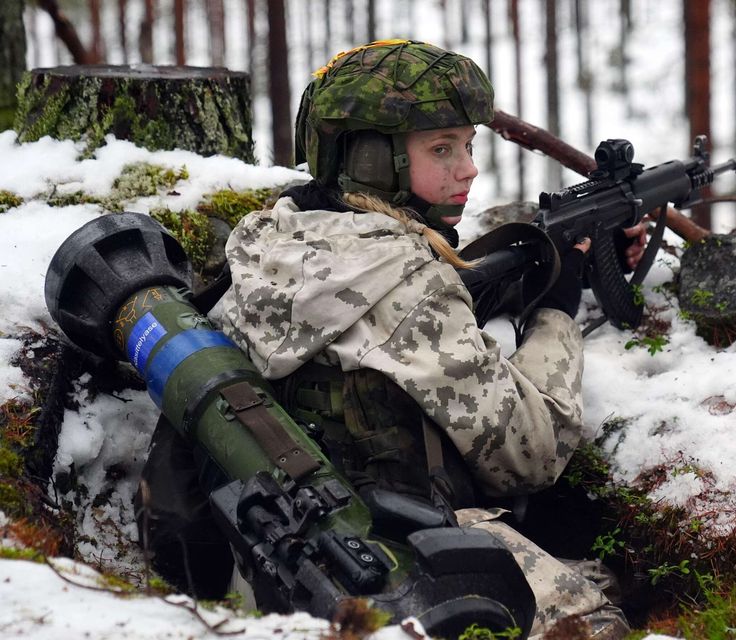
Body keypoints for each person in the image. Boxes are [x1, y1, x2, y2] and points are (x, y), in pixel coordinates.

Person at [143, 39, 637, 639]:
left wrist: (532, 261)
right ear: (374, 160)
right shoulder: (413, 290)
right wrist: (557, 309)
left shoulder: (264, 245)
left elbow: (394, 302)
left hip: (276, 566)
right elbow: (530, 455)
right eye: (441, 149)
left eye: (469, 145)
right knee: (596, 618)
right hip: (400, 565)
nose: (469, 168)